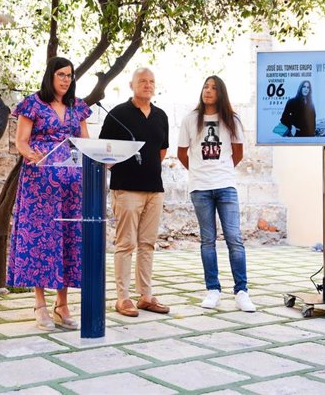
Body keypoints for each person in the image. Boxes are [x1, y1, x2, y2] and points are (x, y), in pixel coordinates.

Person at [7, 56, 91, 331]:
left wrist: (98, 158)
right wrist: (35, 156)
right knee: (42, 241)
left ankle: (62, 304)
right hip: (39, 186)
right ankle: (40, 304)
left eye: (70, 75)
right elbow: (21, 141)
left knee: (67, 239)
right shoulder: (33, 103)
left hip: (72, 188)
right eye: (62, 75)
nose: (66, 80)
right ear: (50, 76)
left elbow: (84, 141)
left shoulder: (78, 107)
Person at [177, 75, 256, 313]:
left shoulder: (232, 119)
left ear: (220, 92)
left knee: (234, 238)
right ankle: (213, 289)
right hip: (200, 188)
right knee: (207, 240)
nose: (208, 91)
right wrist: (200, 172)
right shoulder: (191, 119)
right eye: (205, 87)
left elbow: (238, 153)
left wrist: (221, 171)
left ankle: (241, 291)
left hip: (225, 186)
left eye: (213, 88)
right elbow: (182, 153)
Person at [98, 67, 170, 317]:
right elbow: (104, 150)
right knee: (125, 244)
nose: (147, 85)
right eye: (142, 81)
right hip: (126, 189)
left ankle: (146, 296)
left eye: (151, 81)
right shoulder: (118, 114)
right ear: (132, 85)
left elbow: (162, 151)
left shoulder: (161, 115)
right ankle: (123, 298)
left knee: (147, 244)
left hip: (154, 190)